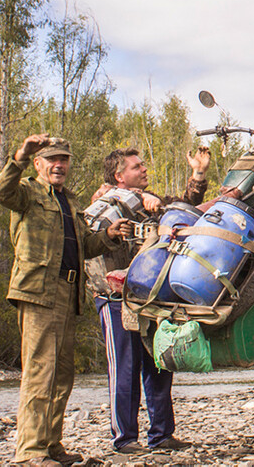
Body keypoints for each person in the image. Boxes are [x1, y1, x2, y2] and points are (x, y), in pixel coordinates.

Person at [0, 134, 129, 467]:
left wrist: (108, 236)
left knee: (62, 374)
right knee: (41, 372)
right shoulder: (26, 193)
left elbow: (86, 246)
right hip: (39, 292)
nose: (59, 165)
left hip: (68, 294)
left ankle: (51, 445)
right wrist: (21, 154)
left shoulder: (68, 202)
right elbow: (0, 192)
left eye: (64, 159)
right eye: (52, 159)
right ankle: (30, 452)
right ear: (38, 164)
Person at [86, 146, 211, 454]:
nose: (143, 169)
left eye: (142, 165)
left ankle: (161, 434)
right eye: (136, 167)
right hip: (116, 298)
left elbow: (184, 208)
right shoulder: (104, 203)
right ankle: (125, 439)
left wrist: (198, 173)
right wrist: (137, 202)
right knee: (125, 368)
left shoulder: (149, 201)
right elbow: (90, 234)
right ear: (119, 176)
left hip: (149, 298)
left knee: (158, 365)